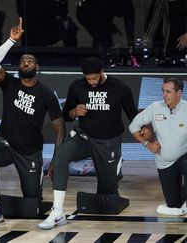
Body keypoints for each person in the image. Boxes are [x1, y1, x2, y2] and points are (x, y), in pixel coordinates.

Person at [0, 18, 66, 227]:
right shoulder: (9, 84)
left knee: (32, 204)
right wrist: (10, 41)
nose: (26, 62)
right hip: (6, 143)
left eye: (30, 61)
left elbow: (60, 129)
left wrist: (55, 160)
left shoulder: (46, 94)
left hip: (30, 152)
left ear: (37, 67)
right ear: (19, 66)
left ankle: (44, 204)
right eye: (23, 61)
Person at [38, 57, 138, 230]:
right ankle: (58, 212)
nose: (91, 82)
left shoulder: (120, 88)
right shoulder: (77, 86)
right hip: (84, 137)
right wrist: (74, 111)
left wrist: (142, 133)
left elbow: (133, 115)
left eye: (94, 78)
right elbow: (66, 113)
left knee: (107, 196)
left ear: (101, 72)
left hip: (109, 142)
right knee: (62, 155)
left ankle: (115, 169)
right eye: (88, 79)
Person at [129, 77, 187, 216]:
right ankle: (179, 205)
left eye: (168, 92)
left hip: (184, 157)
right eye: (163, 91)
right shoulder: (155, 107)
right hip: (164, 162)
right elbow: (133, 126)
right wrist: (147, 144)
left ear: (179, 93)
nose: (164, 95)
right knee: (173, 204)